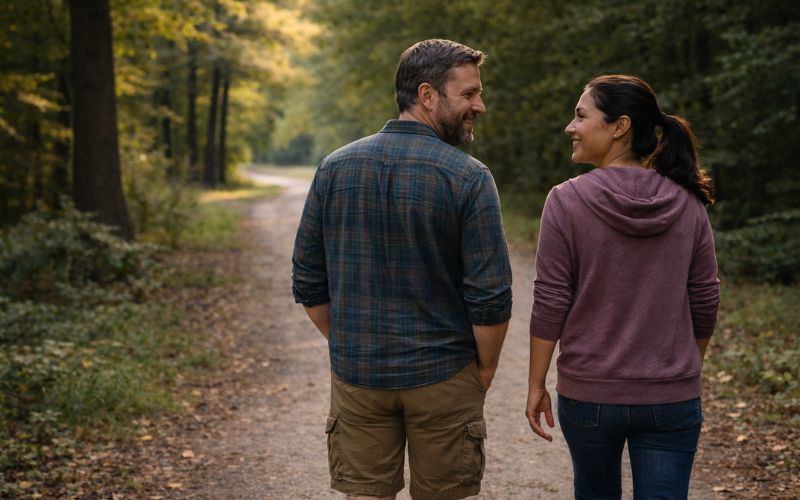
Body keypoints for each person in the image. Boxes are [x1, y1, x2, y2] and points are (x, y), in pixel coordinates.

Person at [292, 39, 512, 500]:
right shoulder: (470, 177)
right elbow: (490, 297)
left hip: (359, 376)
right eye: (469, 94)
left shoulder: (334, 168)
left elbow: (308, 281)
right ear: (428, 95)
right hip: (445, 375)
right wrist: (483, 371)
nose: (481, 106)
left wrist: (350, 341)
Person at [525, 74, 720, 499]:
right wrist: (684, 368)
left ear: (620, 126)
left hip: (590, 395)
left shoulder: (566, 200)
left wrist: (536, 384)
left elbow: (551, 300)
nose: (569, 127)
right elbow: (705, 298)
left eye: (580, 116)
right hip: (672, 397)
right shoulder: (687, 202)